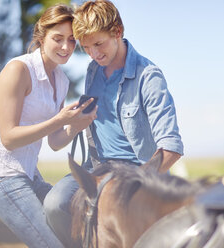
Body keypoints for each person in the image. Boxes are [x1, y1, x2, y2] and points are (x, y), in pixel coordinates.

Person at [43, 0, 184, 247]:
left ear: (117, 32)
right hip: (97, 168)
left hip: (138, 173)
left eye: (99, 44)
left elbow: (170, 149)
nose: (94, 54)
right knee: (55, 204)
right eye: (86, 48)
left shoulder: (148, 77)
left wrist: (131, 186)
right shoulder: (93, 71)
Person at [0, 4, 97, 248]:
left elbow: (54, 142)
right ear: (41, 37)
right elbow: (8, 138)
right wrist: (58, 120)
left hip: (31, 177)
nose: (66, 47)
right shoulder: (18, 70)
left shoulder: (60, 80)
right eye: (58, 38)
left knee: (77, 226)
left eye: (72, 40)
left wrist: (75, 126)